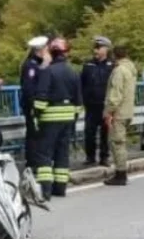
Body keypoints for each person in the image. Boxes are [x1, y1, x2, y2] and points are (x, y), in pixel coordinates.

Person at [30, 37, 82, 198]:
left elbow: (41, 96)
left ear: (52, 52)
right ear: (66, 53)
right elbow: (79, 99)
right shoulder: (72, 71)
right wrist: (73, 116)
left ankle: (45, 190)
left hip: (49, 117)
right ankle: (60, 188)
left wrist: (36, 115)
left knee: (44, 153)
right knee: (62, 153)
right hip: (67, 118)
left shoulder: (47, 71)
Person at [103, 44, 138, 186]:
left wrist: (109, 112)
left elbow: (115, 94)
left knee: (117, 143)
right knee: (121, 142)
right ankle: (121, 172)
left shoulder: (119, 71)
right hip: (128, 111)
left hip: (119, 112)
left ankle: (120, 173)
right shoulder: (131, 69)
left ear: (114, 56)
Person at [81, 36, 115, 167]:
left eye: (99, 47)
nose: (96, 50)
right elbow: (82, 83)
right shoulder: (88, 65)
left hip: (105, 105)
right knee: (89, 132)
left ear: (106, 49)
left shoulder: (112, 65)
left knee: (105, 133)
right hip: (91, 104)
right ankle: (90, 157)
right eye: (95, 47)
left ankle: (104, 157)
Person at [19, 35, 49, 168]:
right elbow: (29, 88)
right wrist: (33, 106)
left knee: (37, 134)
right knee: (33, 134)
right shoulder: (31, 65)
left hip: (36, 105)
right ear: (40, 50)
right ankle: (32, 162)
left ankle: (36, 160)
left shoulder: (37, 64)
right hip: (32, 106)